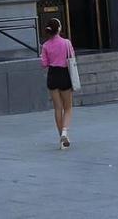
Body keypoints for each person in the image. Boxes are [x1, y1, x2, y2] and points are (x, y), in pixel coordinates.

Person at [39, 18, 76, 148]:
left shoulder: (45, 45)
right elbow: (71, 57)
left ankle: (61, 137)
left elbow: (43, 64)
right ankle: (65, 131)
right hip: (64, 74)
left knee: (57, 108)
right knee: (68, 107)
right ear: (59, 29)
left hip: (52, 75)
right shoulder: (66, 43)